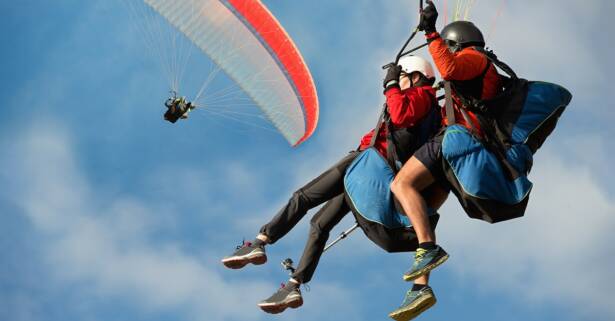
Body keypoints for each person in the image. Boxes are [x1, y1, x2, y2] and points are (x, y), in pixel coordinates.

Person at [221, 56, 440, 314]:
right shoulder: (431, 108)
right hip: (373, 173)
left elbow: (400, 112)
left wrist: (391, 84)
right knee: (320, 223)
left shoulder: (423, 96)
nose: (398, 82)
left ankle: (261, 241)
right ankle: (294, 284)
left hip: (366, 162)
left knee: (302, 197)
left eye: (403, 76)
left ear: (415, 76)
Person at [388, 1, 502, 321]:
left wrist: (430, 31)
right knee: (422, 212)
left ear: (456, 44)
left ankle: (428, 253)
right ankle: (421, 288)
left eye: (447, 47)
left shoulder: (474, 59)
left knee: (401, 184)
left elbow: (450, 68)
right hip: (463, 149)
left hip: (458, 141)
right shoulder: (475, 75)